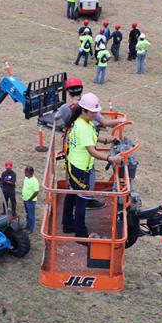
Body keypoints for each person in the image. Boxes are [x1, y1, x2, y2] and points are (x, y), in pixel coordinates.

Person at [61, 93, 123, 238]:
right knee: (82, 200)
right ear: (84, 110)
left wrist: (108, 140)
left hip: (73, 166)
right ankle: (81, 233)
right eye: (93, 112)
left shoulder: (81, 122)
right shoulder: (83, 127)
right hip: (81, 170)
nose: (95, 115)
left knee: (71, 195)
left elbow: (92, 137)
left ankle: (67, 224)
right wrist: (111, 158)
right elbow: (92, 151)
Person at [22, 166, 40, 233]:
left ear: (30, 172)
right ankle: (27, 226)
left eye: (26, 172)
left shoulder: (34, 181)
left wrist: (30, 199)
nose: (24, 173)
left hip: (30, 201)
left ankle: (30, 229)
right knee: (27, 214)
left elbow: (36, 191)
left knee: (31, 215)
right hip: (25, 199)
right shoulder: (26, 178)